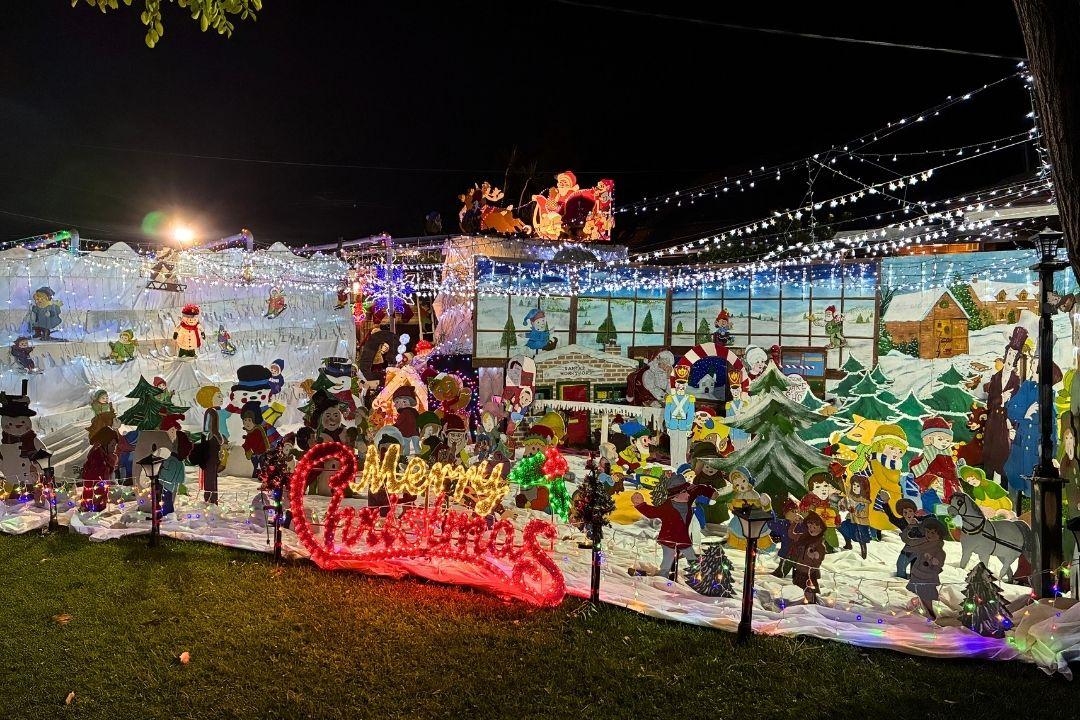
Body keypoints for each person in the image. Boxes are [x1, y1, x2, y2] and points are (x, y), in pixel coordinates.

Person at [631, 474, 719, 579]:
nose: (688, 494)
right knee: (667, 563)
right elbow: (652, 512)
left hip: (683, 539)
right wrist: (640, 504)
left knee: (692, 558)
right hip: (669, 539)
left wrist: (711, 493)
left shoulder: (688, 499)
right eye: (684, 492)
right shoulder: (666, 508)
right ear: (675, 495)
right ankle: (662, 579)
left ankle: (700, 577)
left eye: (687, 491)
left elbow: (698, 488)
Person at [902, 516, 947, 619]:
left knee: (927, 598)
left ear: (939, 536)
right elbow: (907, 541)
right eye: (927, 531)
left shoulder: (939, 550)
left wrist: (932, 561)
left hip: (927, 578)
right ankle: (924, 610)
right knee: (921, 596)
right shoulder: (923, 543)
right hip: (917, 574)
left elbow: (939, 564)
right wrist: (910, 527)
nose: (929, 535)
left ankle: (930, 615)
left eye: (933, 533)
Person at [877, 491, 921, 578]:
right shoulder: (901, 522)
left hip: (921, 549)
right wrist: (886, 502)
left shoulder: (921, 520)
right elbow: (891, 517)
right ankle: (902, 580)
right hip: (909, 548)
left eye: (910, 511)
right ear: (902, 514)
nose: (908, 514)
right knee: (901, 565)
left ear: (914, 512)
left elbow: (932, 522)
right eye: (905, 512)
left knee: (916, 569)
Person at [789, 510, 828, 603]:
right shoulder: (804, 537)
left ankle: (813, 608)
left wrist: (814, 557)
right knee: (801, 590)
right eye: (809, 526)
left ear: (821, 528)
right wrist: (795, 523)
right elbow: (791, 534)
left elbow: (818, 561)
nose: (812, 529)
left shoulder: (820, 545)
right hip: (799, 570)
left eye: (815, 527)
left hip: (809, 573)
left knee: (811, 593)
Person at [839, 473, 873, 559]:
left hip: (861, 523)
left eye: (858, 486)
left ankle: (864, 553)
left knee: (861, 538)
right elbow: (844, 502)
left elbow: (863, 513)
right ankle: (848, 543)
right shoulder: (850, 496)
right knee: (843, 527)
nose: (855, 487)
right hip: (851, 520)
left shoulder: (864, 501)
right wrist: (843, 506)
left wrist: (855, 511)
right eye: (854, 484)